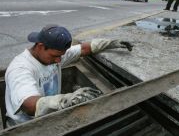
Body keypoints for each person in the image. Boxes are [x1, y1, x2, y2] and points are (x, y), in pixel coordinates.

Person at [5, 24, 133, 126]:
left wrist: (112, 43)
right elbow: (29, 105)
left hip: (48, 119)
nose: (59, 61)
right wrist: (67, 100)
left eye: (61, 56)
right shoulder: (20, 68)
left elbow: (83, 48)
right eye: (55, 56)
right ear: (40, 46)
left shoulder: (54, 55)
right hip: (26, 127)